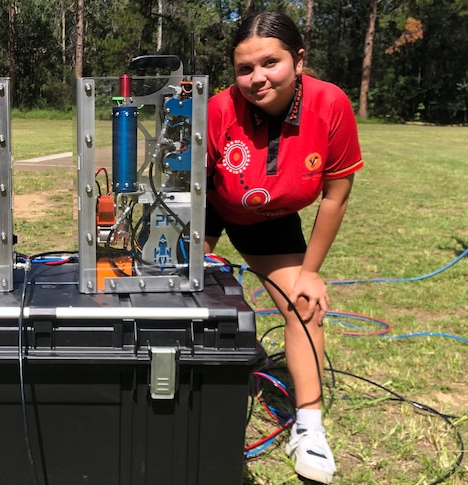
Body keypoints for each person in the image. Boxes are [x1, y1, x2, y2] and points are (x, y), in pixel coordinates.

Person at [205, 11, 363, 484]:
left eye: (269, 63)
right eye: (245, 69)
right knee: (170, 295)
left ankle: (309, 427)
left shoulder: (330, 104)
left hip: (271, 225)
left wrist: (311, 272)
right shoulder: (217, 109)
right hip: (211, 209)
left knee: (305, 305)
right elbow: (184, 183)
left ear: (299, 59)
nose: (257, 79)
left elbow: (336, 195)